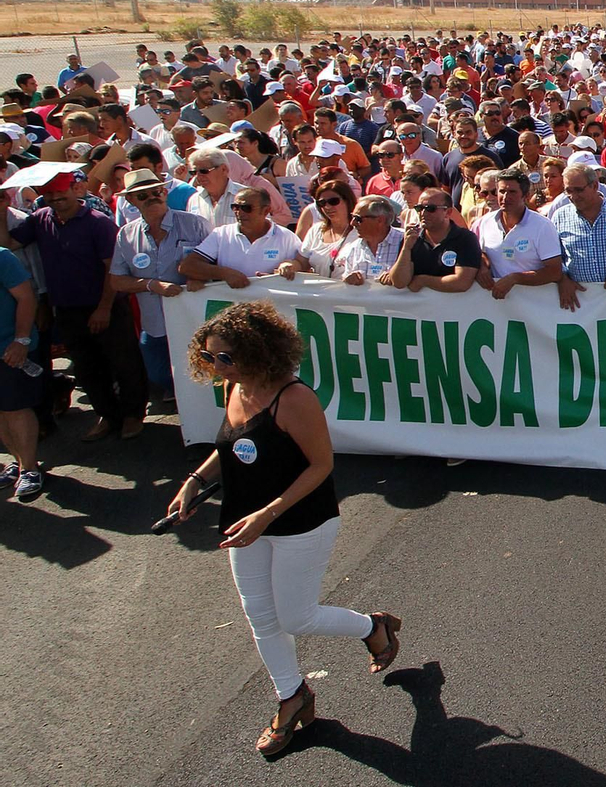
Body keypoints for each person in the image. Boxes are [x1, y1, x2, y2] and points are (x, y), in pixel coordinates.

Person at [166, 301, 402, 757]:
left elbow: (321, 466)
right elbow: (231, 447)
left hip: (300, 521)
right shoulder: (235, 389)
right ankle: (293, 697)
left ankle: (373, 627)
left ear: (258, 352)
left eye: (225, 358)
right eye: (209, 357)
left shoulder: (294, 398)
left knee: (296, 616)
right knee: (261, 617)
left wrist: (267, 514)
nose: (216, 367)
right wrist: (194, 482)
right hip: (245, 521)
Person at [0, 170, 148, 441]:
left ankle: (132, 415)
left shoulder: (98, 223)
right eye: (50, 194)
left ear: (76, 190)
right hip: (67, 309)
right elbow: (9, 243)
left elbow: (111, 269)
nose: (56, 199)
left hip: (105, 306)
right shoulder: (40, 218)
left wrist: (103, 308)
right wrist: (1, 209)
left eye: (60, 193)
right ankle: (107, 414)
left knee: (124, 362)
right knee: (86, 367)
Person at [108, 168, 211, 399]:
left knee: (203, 375)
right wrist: (150, 285)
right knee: (157, 373)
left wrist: (199, 275)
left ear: (165, 192)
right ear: (131, 200)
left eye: (157, 191)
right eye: (143, 195)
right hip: (154, 322)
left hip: (193, 319)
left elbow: (217, 262)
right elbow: (117, 280)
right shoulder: (126, 235)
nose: (152, 197)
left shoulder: (195, 224)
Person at [550, 163, 606, 311]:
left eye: (579, 190)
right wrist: (563, 279)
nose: (574, 196)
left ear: (594, 186)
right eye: (568, 190)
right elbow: (554, 256)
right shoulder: (559, 216)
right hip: (579, 301)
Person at [180, 187, 304, 287]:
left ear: (266, 211)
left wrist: (289, 266)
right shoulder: (221, 234)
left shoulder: (286, 237)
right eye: (235, 207)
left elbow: (303, 264)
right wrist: (224, 273)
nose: (239, 212)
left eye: (246, 208)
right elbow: (187, 266)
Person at [472, 166, 563, 299]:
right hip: (495, 305)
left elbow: (555, 271)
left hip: (535, 304)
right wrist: (481, 266)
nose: (506, 197)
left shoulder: (542, 226)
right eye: (502, 191)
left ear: (526, 196)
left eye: (512, 192)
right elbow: (476, 252)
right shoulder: (483, 224)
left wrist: (515, 279)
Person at [0, 246, 43, 502]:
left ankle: (30, 468)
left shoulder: (2, 257)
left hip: (9, 348)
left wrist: (21, 340)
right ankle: (16, 463)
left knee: (15, 408)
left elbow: (26, 298)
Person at [391, 188, 480, 293]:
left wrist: (423, 280)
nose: (423, 213)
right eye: (419, 208)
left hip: (456, 307)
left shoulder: (465, 238)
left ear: (448, 212)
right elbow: (399, 282)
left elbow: (461, 282)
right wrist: (406, 248)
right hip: (419, 308)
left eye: (431, 208)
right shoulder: (412, 238)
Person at [333, 196, 406, 286]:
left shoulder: (405, 241)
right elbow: (346, 278)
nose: (353, 223)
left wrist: (397, 276)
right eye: (352, 217)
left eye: (358, 219)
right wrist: (348, 279)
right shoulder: (354, 248)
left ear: (380, 220)